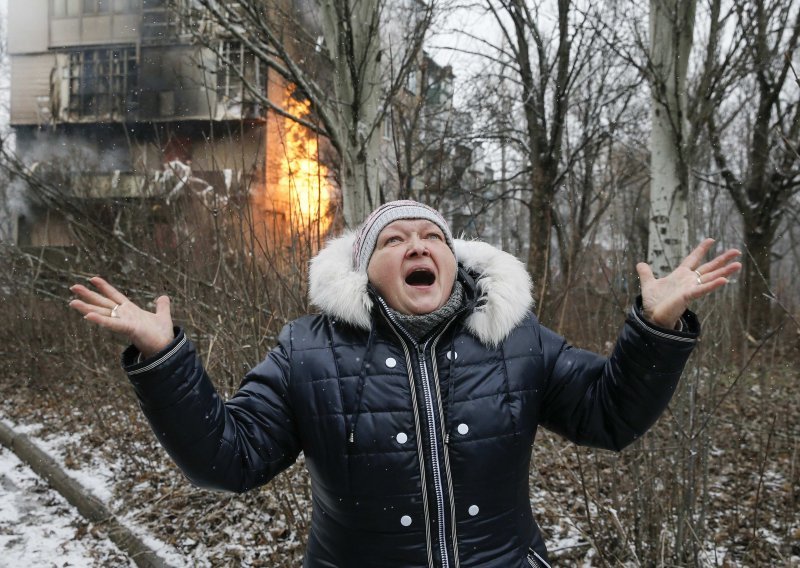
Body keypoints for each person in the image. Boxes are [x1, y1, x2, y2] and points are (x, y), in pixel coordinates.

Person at [69, 200, 741, 567]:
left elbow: (610, 416)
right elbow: (229, 460)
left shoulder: (515, 337)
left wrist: (654, 328)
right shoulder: (307, 352)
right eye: (395, 240)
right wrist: (166, 359)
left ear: (452, 261)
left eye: (432, 238)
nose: (419, 247)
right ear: (365, 271)